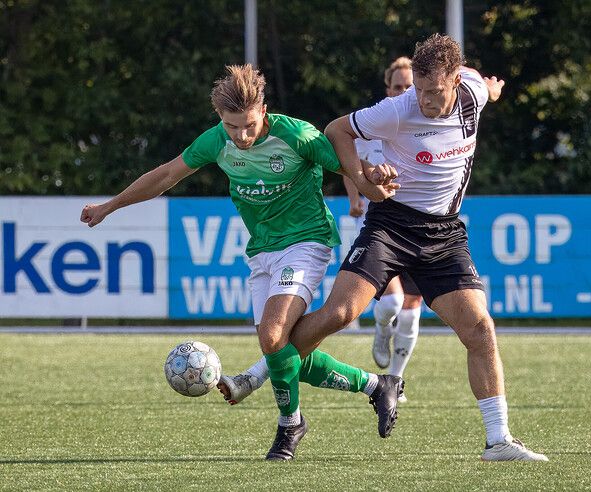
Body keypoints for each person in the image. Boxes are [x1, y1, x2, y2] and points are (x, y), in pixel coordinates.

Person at [80, 64, 404, 461]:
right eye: (232, 127)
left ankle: (290, 425)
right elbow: (166, 175)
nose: (241, 135)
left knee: (272, 337)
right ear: (221, 119)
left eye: (249, 125)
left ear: (263, 110)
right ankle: (376, 385)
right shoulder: (217, 141)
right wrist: (109, 206)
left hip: (305, 242)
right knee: (284, 356)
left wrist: (374, 180)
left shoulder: (297, 135)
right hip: (262, 251)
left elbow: (346, 165)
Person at [288, 33, 549, 461]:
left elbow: (483, 83)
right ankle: (264, 370)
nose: (424, 100)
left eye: (434, 92)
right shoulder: (398, 109)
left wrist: (496, 90)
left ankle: (498, 441)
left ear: (454, 83)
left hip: (443, 234)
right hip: (391, 226)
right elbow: (337, 130)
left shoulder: (474, 91)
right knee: (340, 313)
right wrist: (365, 182)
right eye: (419, 90)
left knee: (480, 328)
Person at [343, 57, 422, 398]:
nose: (403, 92)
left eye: (410, 87)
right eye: (397, 87)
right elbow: (348, 164)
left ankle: (395, 381)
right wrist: (356, 197)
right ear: (387, 90)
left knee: (410, 313)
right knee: (391, 305)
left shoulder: (429, 123)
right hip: (382, 228)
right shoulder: (372, 123)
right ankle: (379, 329)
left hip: (422, 228)